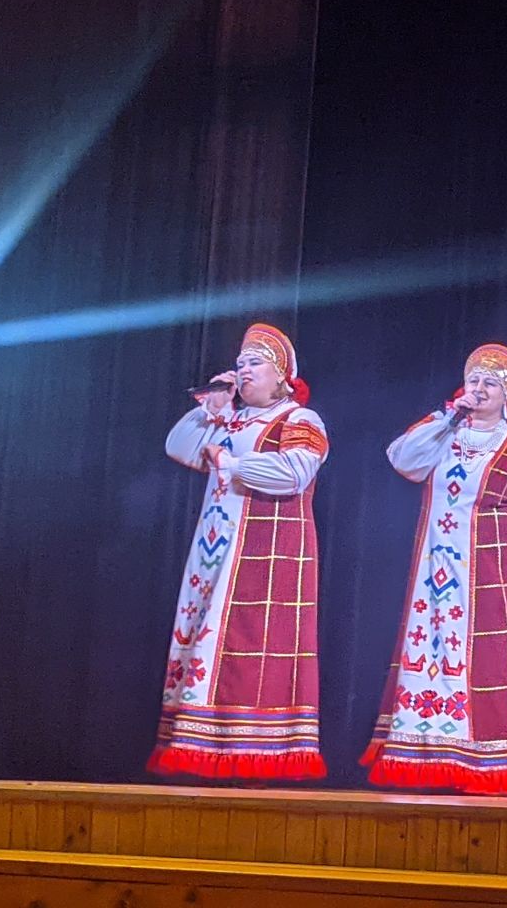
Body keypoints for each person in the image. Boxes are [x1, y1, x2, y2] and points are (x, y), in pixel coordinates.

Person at [361, 343, 507, 794]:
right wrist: (448, 417)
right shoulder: (444, 434)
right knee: (430, 655)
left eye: (490, 383)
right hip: (435, 573)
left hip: (493, 574)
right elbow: (402, 459)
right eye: (473, 380)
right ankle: (428, 754)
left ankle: (494, 760)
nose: (479, 389)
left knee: (492, 664)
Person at [152, 322, 329, 780]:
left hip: (266, 552)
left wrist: (231, 462)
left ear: (282, 377)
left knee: (249, 642)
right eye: (240, 364)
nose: (244, 371)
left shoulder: (299, 420)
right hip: (214, 551)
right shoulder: (230, 419)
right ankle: (203, 744)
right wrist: (210, 409)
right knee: (205, 638)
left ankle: (252, 752)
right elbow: (179, 447)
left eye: (255, 364)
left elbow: (293, 474)